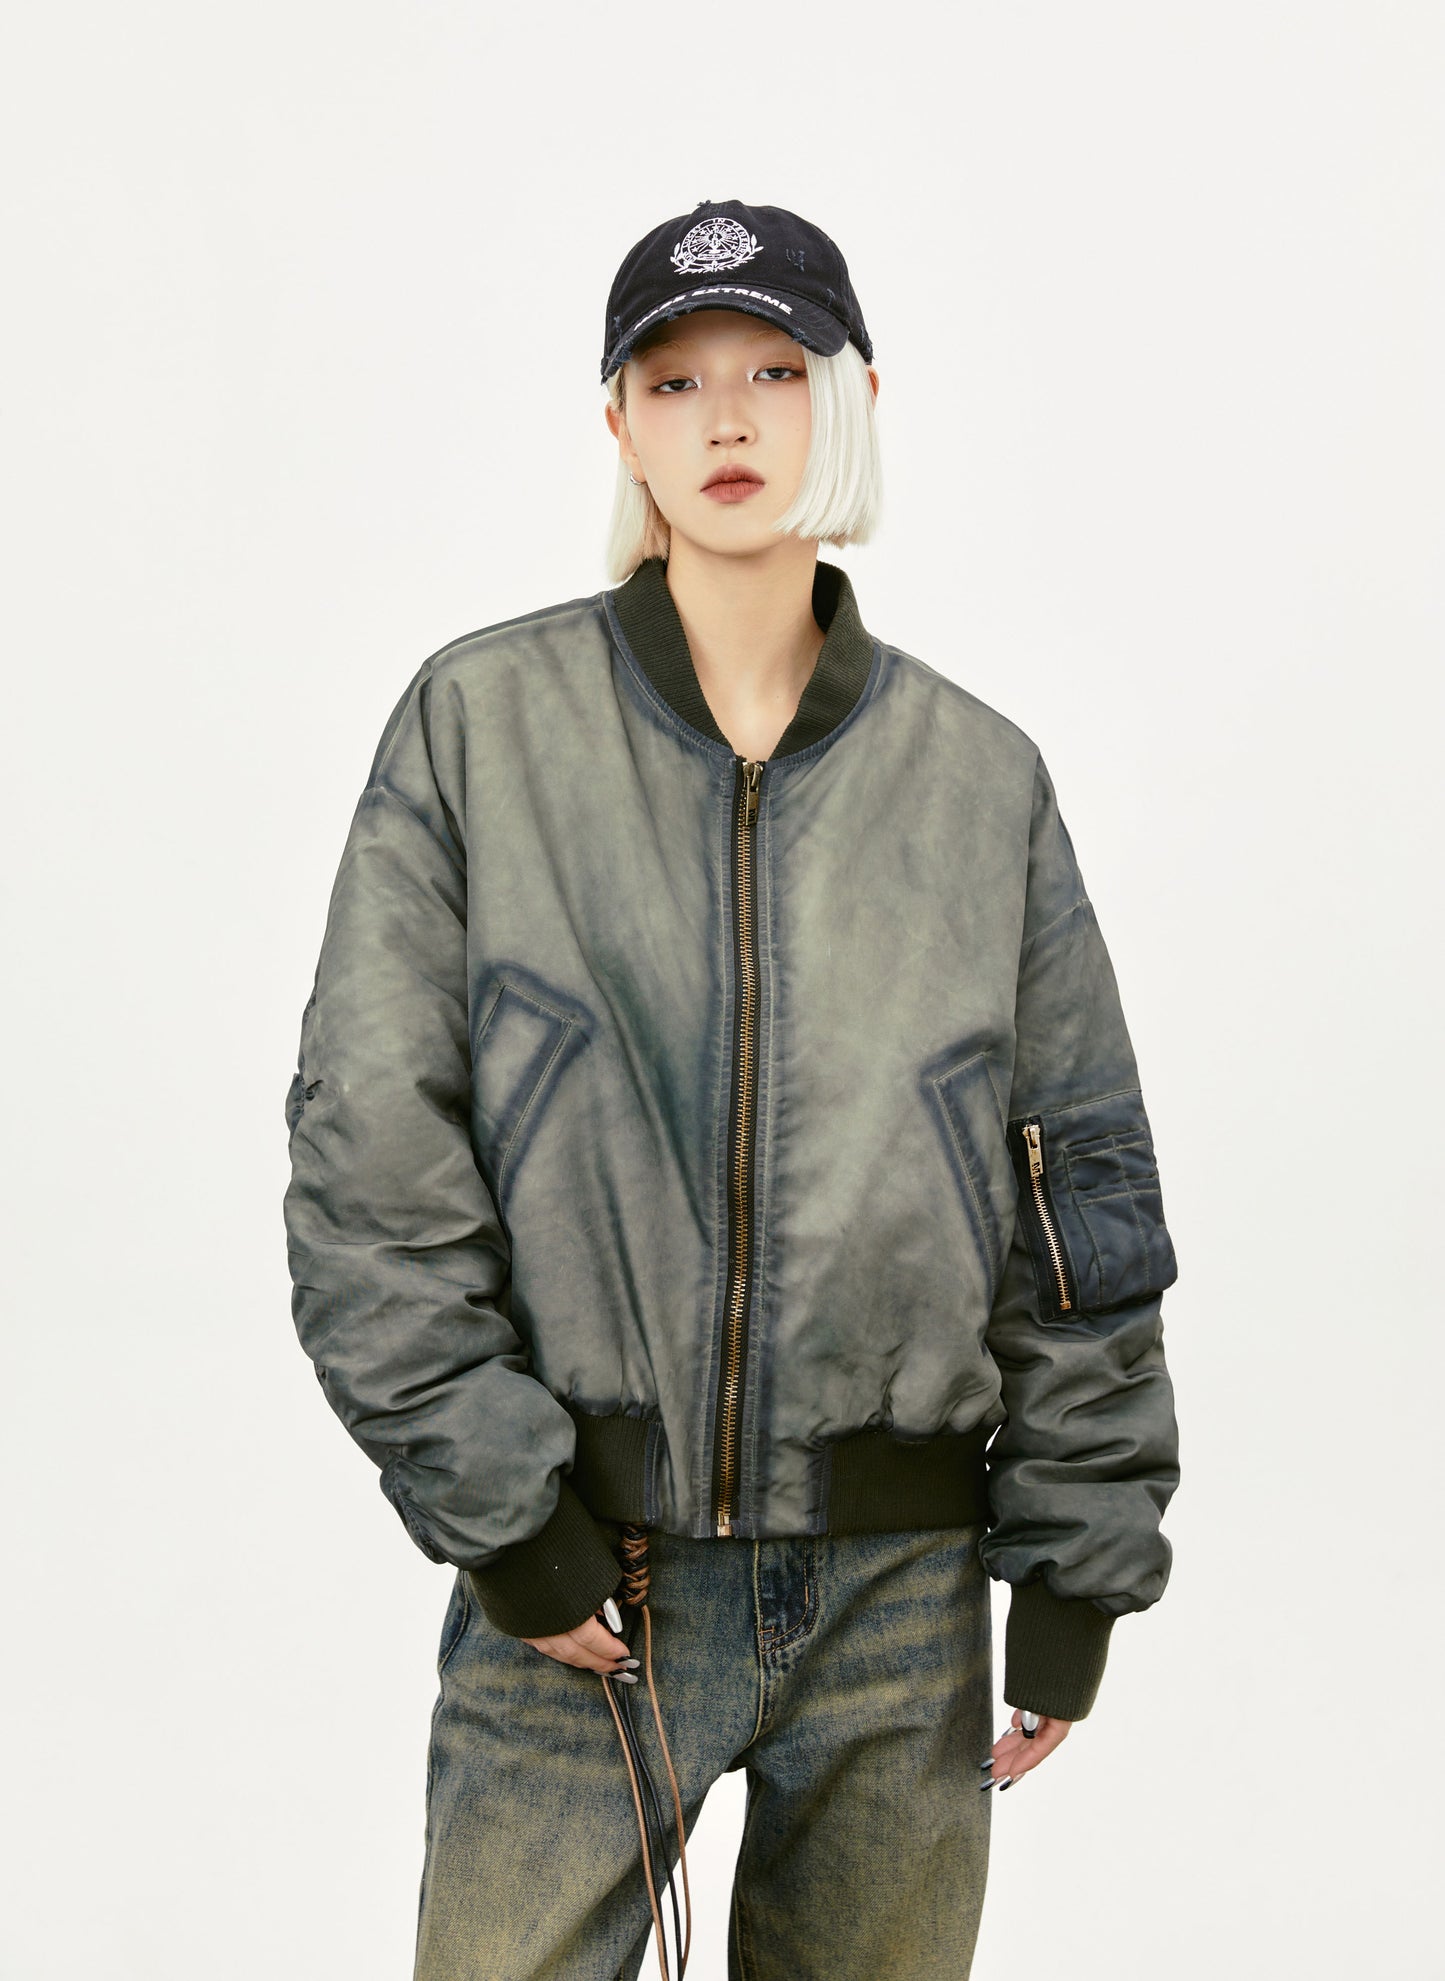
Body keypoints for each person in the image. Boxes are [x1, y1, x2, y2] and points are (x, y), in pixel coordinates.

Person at [282, 197, 1182, 1981]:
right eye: (674, 379)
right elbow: (370, 1159)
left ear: (856, 399)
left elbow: (1077, 1188)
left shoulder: (978, 781)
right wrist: (510, 1522)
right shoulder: (480, 729)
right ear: (618, 425)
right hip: (587, 1581)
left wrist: (1077, 1561)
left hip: (900, 1603)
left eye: (775, 369)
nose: (728, 419)